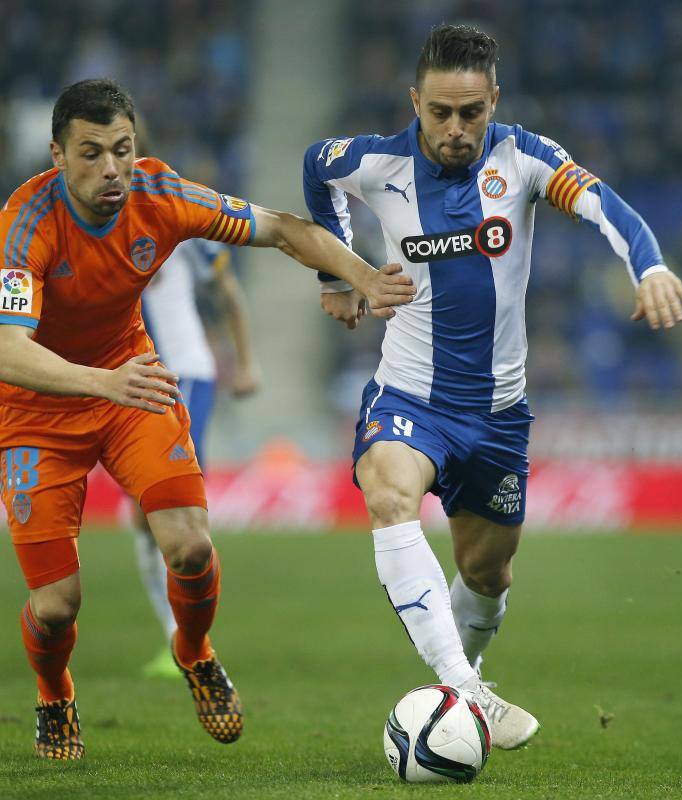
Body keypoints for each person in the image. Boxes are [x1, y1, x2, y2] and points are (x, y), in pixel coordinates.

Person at [303, 24, 682, 750]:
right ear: (415, 101)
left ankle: (462, 686)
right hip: (409, 397)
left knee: (487, 571)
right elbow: (314, 169)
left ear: (495, 101)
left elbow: (606, 204)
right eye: (440, 112)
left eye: (472, 113)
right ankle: (465, 687)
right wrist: (338, 272)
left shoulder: (525, 158)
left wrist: (649, 266)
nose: (456, 130)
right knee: (388, 493)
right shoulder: (371, 160)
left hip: (498, 417)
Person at [0, 78, 415, 760]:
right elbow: (9, 351)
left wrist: (358, 276)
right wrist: (104, 381)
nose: (111, 169)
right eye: (91, 153)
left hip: (129, 386)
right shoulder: (24, 225)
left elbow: (282, 227)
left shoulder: (161, 195)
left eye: (123, 150)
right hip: (37, 411)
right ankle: (54, 695)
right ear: (57, 155)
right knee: (56, 607)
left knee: (191, 545)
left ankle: (193, 652)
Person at [136, 239, 260, 678]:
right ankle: (175, 635)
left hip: (182, 375)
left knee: (174, 507)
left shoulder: (180, 230)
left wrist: (245, 362)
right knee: (142, 513)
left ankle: (188, 639)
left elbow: (228, 287)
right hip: (127, 378)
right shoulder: (89, 229)